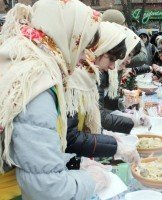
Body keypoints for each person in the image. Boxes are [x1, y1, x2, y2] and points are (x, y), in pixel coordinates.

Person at [0, 0, 110, 199]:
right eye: (83, 46)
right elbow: (47, 189)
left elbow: (30, 151)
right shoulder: (37, 80)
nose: (86, 57)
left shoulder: (21, 58)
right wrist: (91, 180)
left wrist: (72, 162)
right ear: (67, 36)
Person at [66, 22, 141, 161]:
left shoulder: (88, 76)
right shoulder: (74, 79)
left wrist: (121, 105)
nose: (113, 66)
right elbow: (69, 137)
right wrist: (113, 145)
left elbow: (96, 110)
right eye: (112, 59)